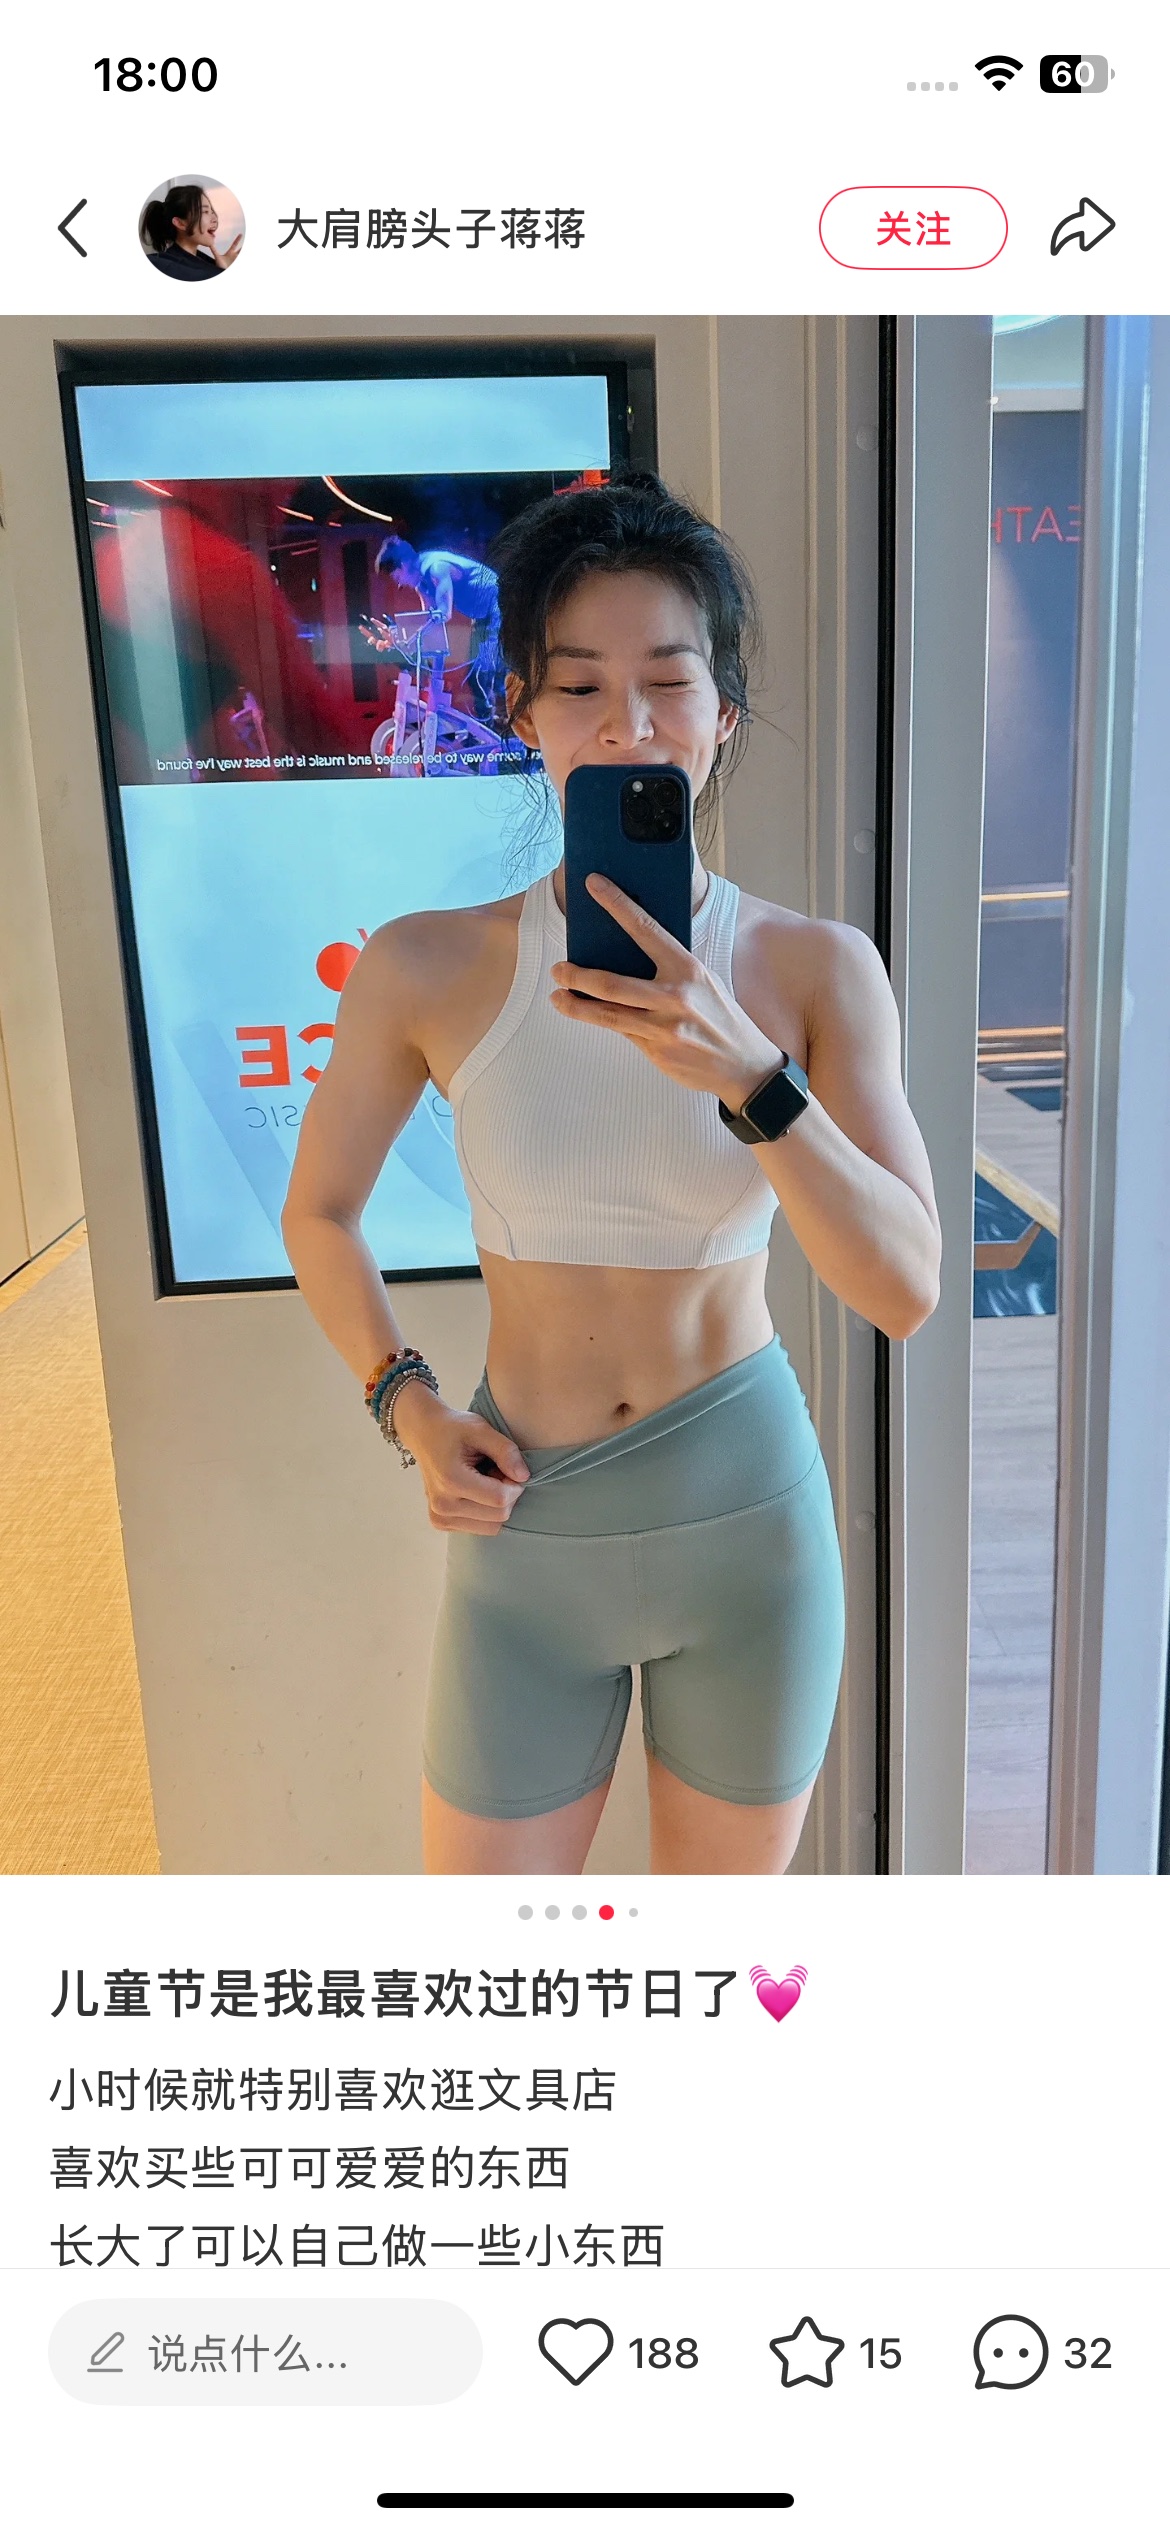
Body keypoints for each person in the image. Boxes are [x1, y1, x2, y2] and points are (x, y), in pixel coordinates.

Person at [282, 473, 941, 1876]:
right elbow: (320, 1213)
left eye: (668, 681)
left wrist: (751, 1075)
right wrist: (406, 1404)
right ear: (520, 709)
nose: (626, 724)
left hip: (749, 1532)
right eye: (578, 685)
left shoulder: (816, 970)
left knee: (710, 1972)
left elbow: (905, 1288)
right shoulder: (425, 964)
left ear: (723, 714)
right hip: (525, 1525)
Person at [372, 536, 504, 718]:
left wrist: (412, 635)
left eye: (397, 577)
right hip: (482, 616)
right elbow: (427, 621)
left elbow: (443, 613)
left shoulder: (436, 567)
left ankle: (501, 723)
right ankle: (493, 722)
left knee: (483, 673)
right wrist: (398, 637)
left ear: (403, 565)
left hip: (499, 604)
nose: (400, 584)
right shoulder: (422, 585)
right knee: (478, 676)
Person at [140, 185, 242, 280]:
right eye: (205, 212)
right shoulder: (161, 266)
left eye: (212, 212)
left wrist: (223, 269)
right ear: (180, 223)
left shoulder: (205, 265)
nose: (215, 219)